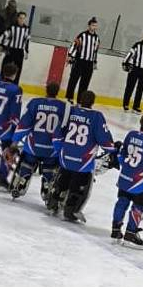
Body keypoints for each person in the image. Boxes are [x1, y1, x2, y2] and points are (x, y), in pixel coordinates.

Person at [47, 90, 116, 223]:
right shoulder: (96, 116)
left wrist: (60, 151)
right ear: (93, 102)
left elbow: (57, 134)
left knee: (63, 177)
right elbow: (104, 140)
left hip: (65, 157)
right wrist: (113, 150)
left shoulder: (70, 112)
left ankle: (54, 199)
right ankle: (71, 209)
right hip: (83, 162)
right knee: (81, 184)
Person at [7, 82, 67, 201]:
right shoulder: (63, 107)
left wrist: (14, 142)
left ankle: (22, 179)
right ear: (57, 92)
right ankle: (47, 184)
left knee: (27, 162)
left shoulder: (35, 103)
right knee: (50, 167)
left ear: (46, 90)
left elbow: (24, 124)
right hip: (52, 149)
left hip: (33, 147)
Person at [111, 113, 143, 248]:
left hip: (124, 177)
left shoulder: (131, 134)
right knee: (138, 207)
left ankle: (115, 231)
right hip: (139, 182)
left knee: (121, 202)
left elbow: (122, 155)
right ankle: (130, 235)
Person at [65, 18, 100, 104]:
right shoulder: (82, 35)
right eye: (93, 25)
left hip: (89, 63)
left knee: (85, 83)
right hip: (80, 61)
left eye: (96, 26)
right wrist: (70, 55)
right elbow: (74, 45)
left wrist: (95, 62)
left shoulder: (97, 38)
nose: (94, 27)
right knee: (73, 79)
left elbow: (95, 51)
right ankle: (69, 97)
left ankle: (81, 100)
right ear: (89, 26)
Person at [122, 30, 143, 113]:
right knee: (130, 87)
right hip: (135, 69)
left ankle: (136, 106)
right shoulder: (137, 45)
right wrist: (125, 63)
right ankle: (126, 104)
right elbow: (130, 54)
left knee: (140, 89)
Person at [0, 11, 30, 83]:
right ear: (17, 18)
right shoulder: (12, 27)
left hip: (20, 51)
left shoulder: (27, 29)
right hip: (11, 50)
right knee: (5, 66)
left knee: (18, 69)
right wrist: (3, 46)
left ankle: (15, 84)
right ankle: (1, 81)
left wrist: (26, 51)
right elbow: (5, 36)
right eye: (20, 18)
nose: (22, 20)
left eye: (23, 18)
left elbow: (27, 40)